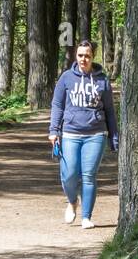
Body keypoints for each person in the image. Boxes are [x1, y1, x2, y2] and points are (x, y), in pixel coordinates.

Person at [48, 39, 118, 230]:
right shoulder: (66, 78)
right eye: (80, 55)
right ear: (75, 56)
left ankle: (86, 216)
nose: (83, 59)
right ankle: (72, 201)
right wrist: (54, 130)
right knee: (69, 174)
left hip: (96, 134)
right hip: (70, 132)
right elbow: (57, 105)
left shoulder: (102, 80)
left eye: (87, 55)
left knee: (88, 176)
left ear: (93, 56)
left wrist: (114, 137)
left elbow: (110, 110)